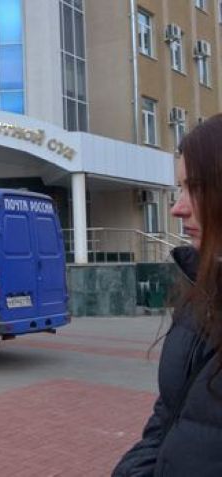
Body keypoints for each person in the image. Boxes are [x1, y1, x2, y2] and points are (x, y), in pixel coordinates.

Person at [113, 114, 222, 476]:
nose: (177, 208)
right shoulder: (200, 288)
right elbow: (171, 412)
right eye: (180, 189)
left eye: (197, 188)